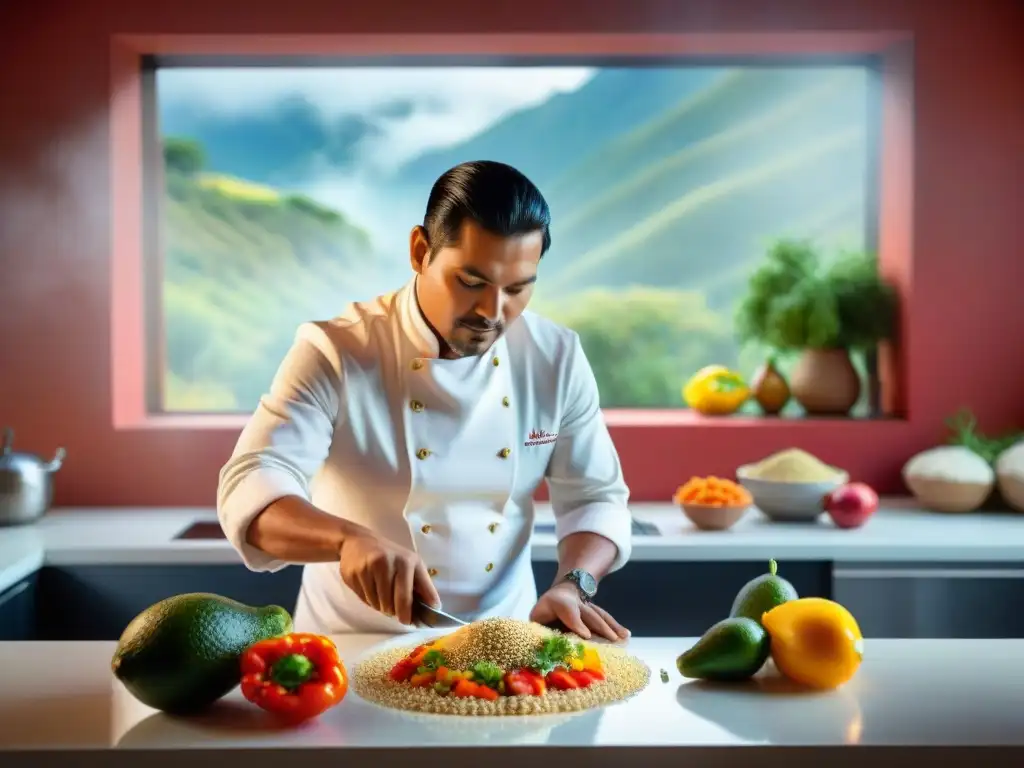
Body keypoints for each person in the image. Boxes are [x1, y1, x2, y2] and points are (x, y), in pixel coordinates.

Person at [216, 160, 633, 641]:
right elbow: (251, 484)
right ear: (420, 251)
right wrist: (347, 540)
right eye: (471, 282)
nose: (493, 313)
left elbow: (595, 497)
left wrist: (573, 584)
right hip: (350, 650)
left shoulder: (555, 357)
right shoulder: (336, 351)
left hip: (502, 649)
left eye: (518, 289)